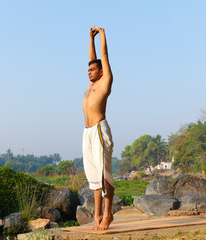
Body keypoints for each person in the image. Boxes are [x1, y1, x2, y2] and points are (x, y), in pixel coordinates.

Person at [82, 25, 115, 230]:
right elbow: (92, 59)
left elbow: (103, 57)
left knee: (104, 175)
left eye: (92, 70)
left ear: (101, 72)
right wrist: (90, 40)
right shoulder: (90, 85)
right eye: (88, 70)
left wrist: (102, 35)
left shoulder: (105, 82)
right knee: (94, 178)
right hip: (86, 133)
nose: (88, 72)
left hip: (99, 131)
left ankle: (108, 214)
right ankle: (97, 215)